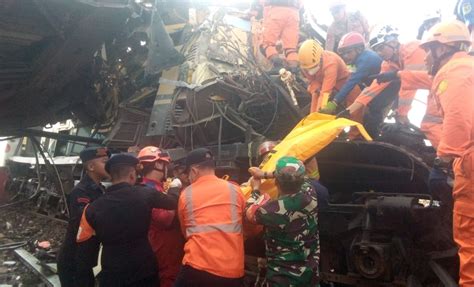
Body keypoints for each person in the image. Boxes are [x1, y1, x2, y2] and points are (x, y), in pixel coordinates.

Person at [419, 20, 474, 285]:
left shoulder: (455, 70)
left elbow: (459, 117)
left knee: (471, 247)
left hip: (470, 167)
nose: (426, 56)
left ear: (444, 48)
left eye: (430, 49)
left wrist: (443, 163)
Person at [75, 153, 181, 287]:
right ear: (132, 175)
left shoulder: (91, 210)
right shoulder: (145, 194)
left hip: (113, 275)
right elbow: (173, 202)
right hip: (145, 271)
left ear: (110, 177)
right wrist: (174, 188)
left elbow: (84, 258)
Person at [174, 148, 246, 287]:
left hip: (197, 267)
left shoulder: (186, 194)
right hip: (233, 271)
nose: (189, 178)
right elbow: (246, 225)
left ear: (194, 171)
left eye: (188, 174)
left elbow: (185, 232)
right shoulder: (235, 190)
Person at [246, 156, 320, 286]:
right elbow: (295, 176)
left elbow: (249, 212)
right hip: (309, 275)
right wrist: (263, 174)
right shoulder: (310, 193)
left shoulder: (270, 211)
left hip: (282, 279)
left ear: (276, 183)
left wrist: (255, 189)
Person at [344, 25, 426, 135]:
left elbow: (409, 84)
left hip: (447, 82)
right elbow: (373, 89)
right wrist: (349, 111)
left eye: (381, 48)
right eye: (376, 50)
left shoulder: (412, 50)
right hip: (435, 84)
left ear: (393, 43)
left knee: (431, 125)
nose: (379, 54)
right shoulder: (388, 63)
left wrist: (402, 115)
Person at [56, 146, 110, 287]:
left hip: (84, 260)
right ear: (91, 166)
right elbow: (86, 219)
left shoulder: (100, 190)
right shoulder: (80, 192)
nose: (109, 165)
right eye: (105, 162)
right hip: (73, 260)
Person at [138, 146, 184, 287]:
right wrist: (174, 193)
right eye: (164, 164)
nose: (166, 169)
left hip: (161, 251)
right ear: (158, 164)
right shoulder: (150, 191)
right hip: (163, 254)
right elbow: (165, 220)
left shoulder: (150, 187)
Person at [298, 39, 362, 114]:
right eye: (308, 68)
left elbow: (325, 92)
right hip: (323, 84)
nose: (310, 70)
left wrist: (320, 110)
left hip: (345, 84)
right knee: (316, 94)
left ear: (320, 58)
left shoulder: (331, 63)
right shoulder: (304, 65)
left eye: (314, 66)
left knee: (354, 111)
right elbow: (313, 82)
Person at [252, 0, 303, 69]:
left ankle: (279, 68)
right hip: (294, 14)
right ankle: (293, 71)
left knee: (266, 45)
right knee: (290, 49)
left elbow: (258, 8)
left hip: (276, 11)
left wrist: (254, 11)